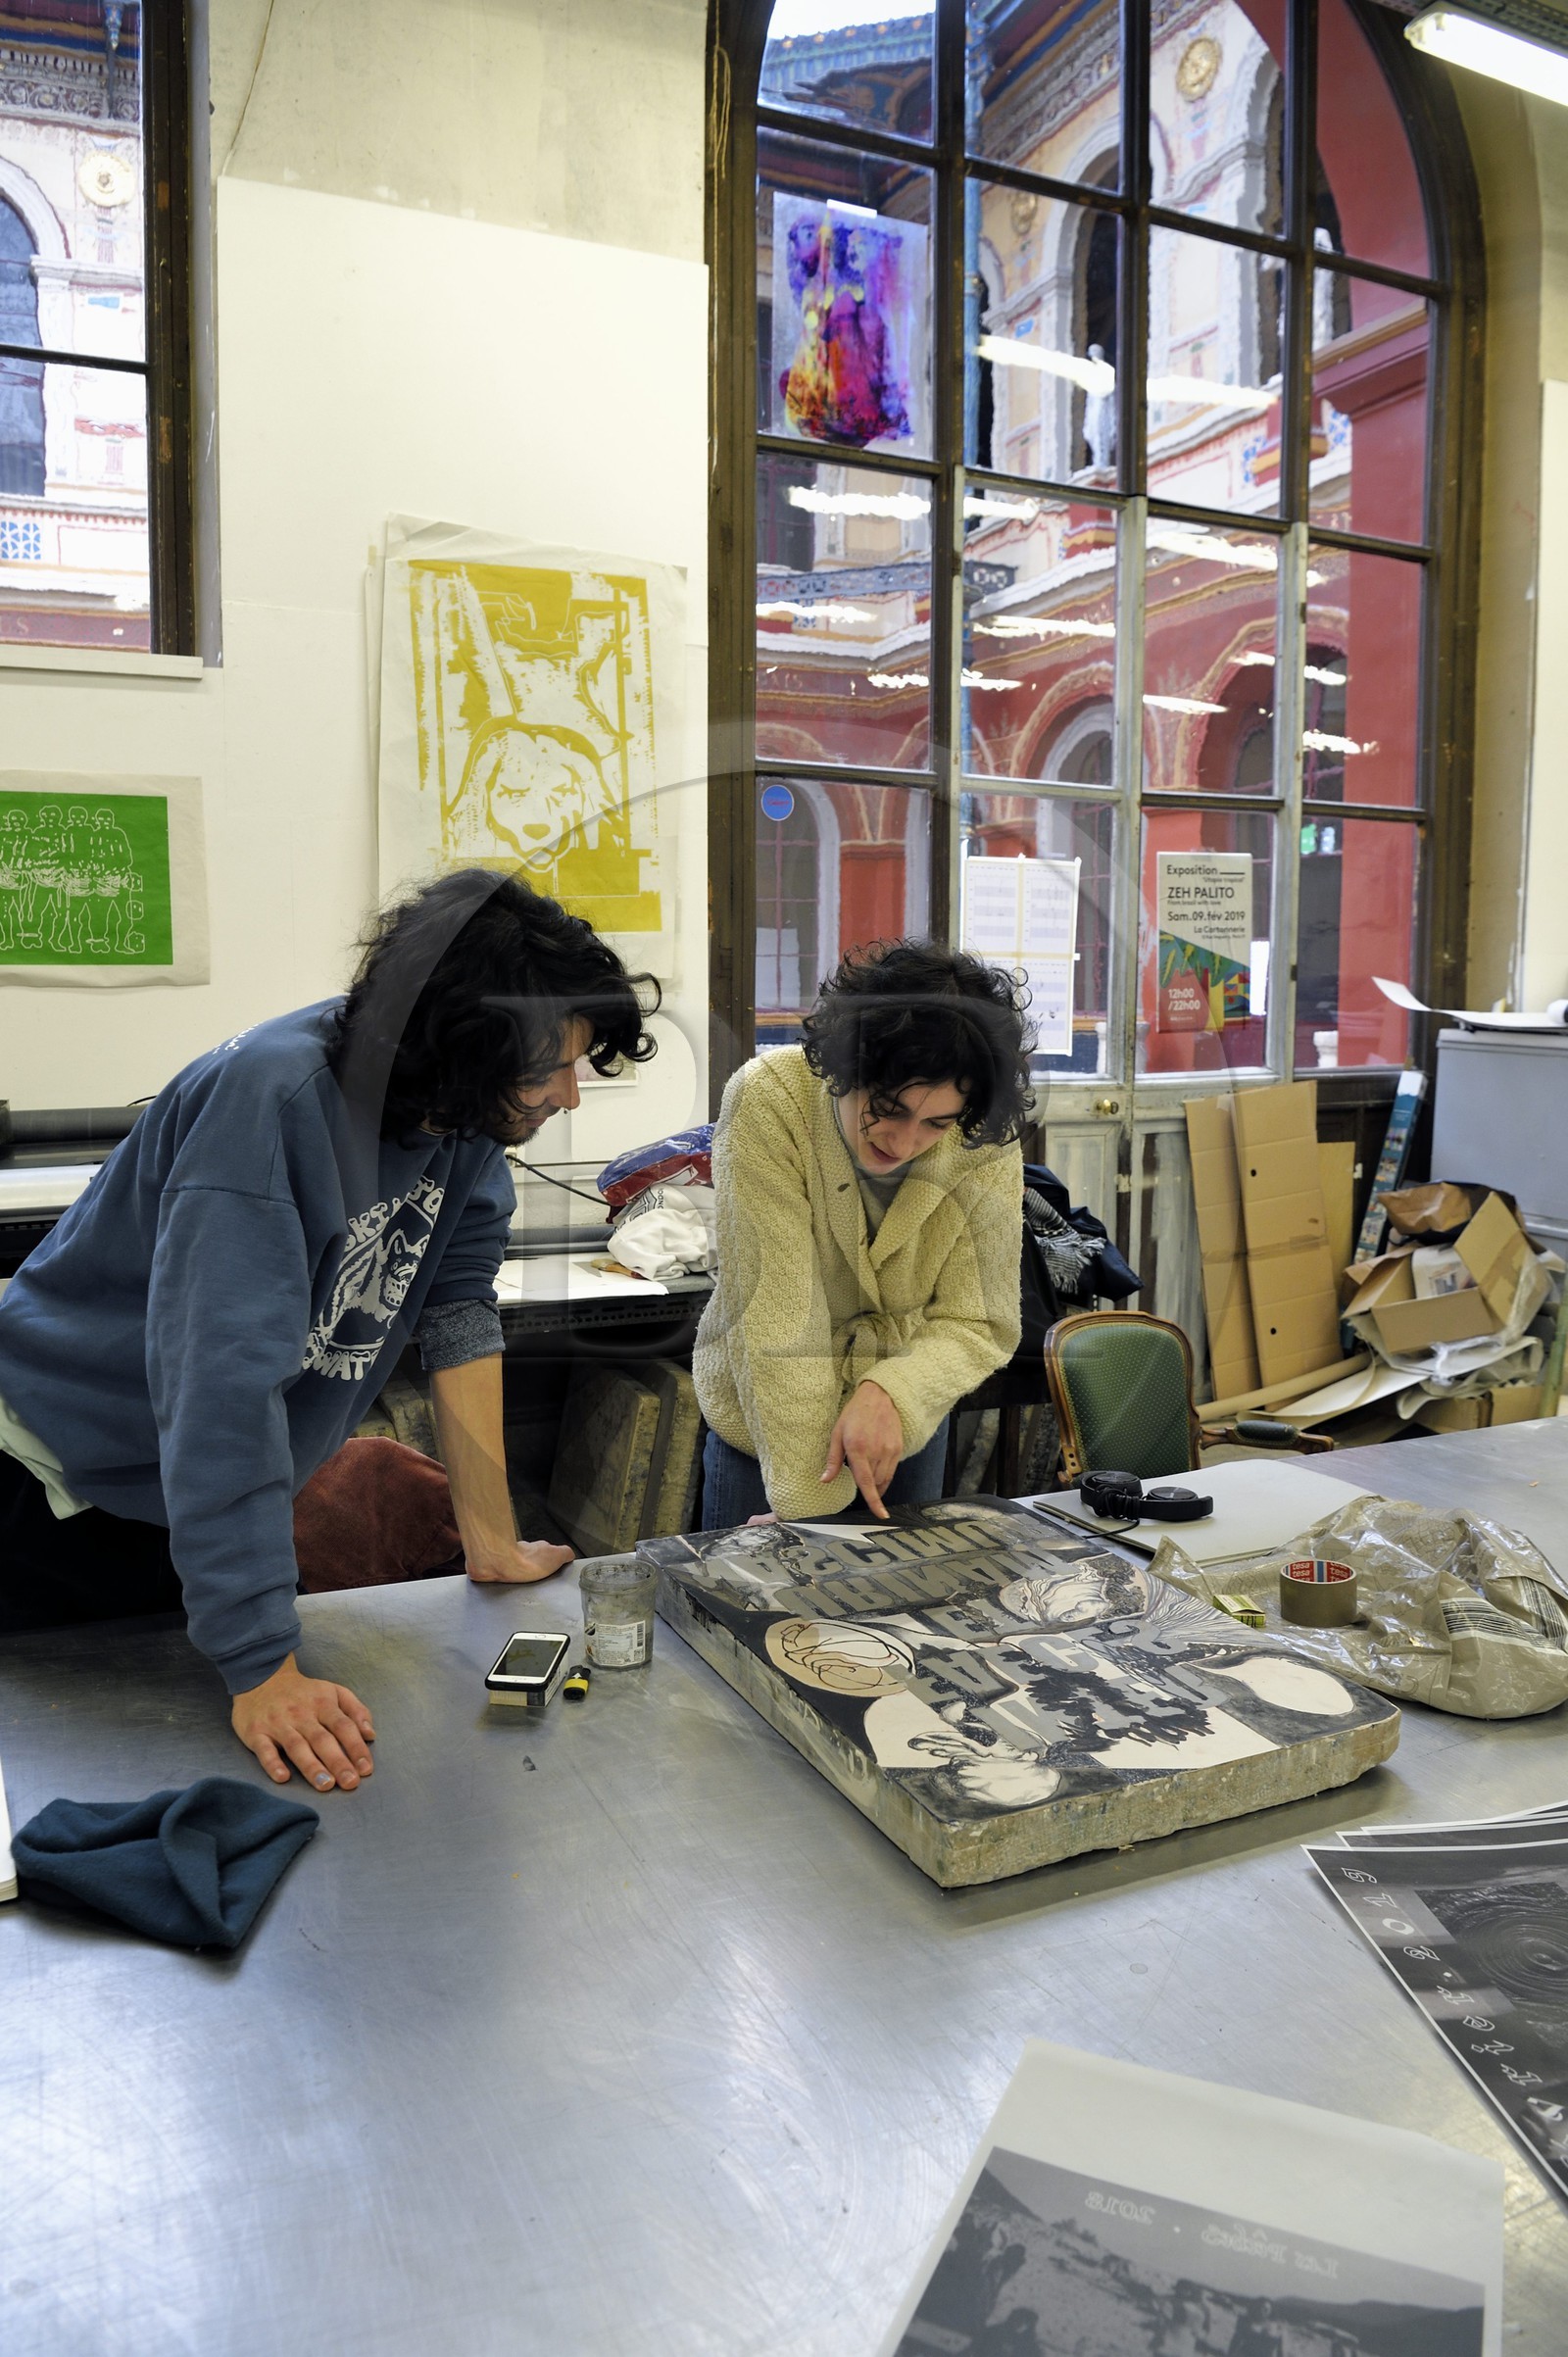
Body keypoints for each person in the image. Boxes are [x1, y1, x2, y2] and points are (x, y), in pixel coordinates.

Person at [0, 869, 656, 1792]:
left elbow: (459, 1310)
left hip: (172, 1494)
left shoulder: (464, 1121)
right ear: (460, 1048)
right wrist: (261, 1663)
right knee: (87, 1776)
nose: (568, 1096)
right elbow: (221, 1390)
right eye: (546, 1071)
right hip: (53, 1482)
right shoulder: (270, 1105)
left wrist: (491, 1537)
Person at [695, 938, 1028, 1526]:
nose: (902, 1142)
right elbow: (776, 1317)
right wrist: (805, 1504)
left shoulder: (983, 1140)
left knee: (898, 1613)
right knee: (760, 1609)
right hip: (769, 1428)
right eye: (889, 1108)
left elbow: (979, 1320)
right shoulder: (770, 1100)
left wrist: (893, 1392)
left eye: (936, 1124)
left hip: (899, 1431)